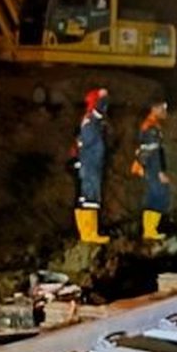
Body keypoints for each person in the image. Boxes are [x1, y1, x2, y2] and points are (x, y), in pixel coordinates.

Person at [73, 88, 111, 244]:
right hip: (90, 165)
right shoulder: (91, 121)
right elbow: (87, 143)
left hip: (89, 163)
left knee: (86, 198)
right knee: (91, 198)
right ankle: (90, 234)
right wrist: (102, 96)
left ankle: (86, 233)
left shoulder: (90, 121)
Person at [132, 100, 170, 241]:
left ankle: (149, 230)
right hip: (153, 168)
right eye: (162, 108)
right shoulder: (151, 127)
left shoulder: (151, 125)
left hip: (151, 167)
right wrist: (160, 172)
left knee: (154, 195)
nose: (165, 111)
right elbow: (152, 152)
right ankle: (150, 231)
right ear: (154, 108)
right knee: (158, 195)